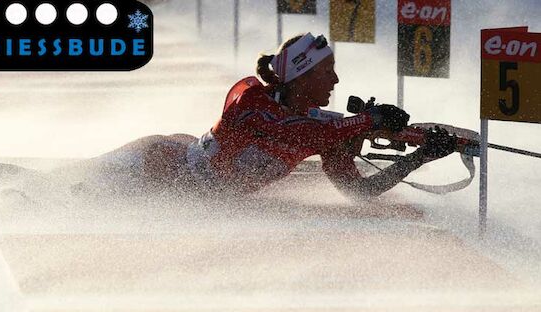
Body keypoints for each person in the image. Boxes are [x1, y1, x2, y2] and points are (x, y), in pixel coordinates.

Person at [94, 32, 456, 197]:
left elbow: (359, 190)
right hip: (151, 163)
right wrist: (369, 120)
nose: (335, 79)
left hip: (194, 185)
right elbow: (306, 134)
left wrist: (420, 156)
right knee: (61, 190)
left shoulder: (325, 126)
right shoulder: (251, 101)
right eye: (325, 71)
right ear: (300, 76)